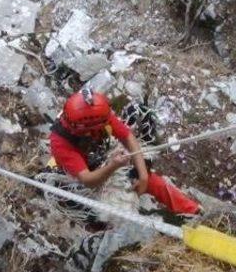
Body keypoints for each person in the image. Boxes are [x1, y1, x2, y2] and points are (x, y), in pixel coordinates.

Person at [49, 88, 201, 216]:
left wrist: (143, 176)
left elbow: (127, 137)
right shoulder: (61, 142)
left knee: (153, 181)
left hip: (99, 159)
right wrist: (113, 166)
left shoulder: (97, 117)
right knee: (117, 214)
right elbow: (88, 180)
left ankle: (194, 212)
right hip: (83, 179)